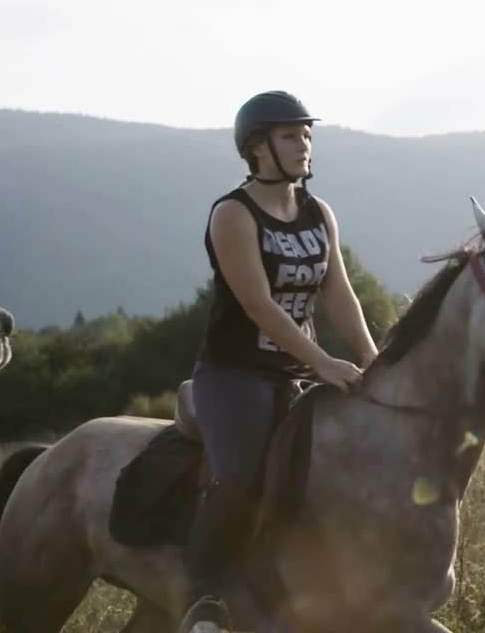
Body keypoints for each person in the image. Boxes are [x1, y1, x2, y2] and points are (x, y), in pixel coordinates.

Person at [178, 91, 377, 632]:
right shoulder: (232, 214)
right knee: (241, 477)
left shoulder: (319, 212)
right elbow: (258, 304)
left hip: (298, 369)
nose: (304, 144)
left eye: (307, 135)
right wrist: (323, 362)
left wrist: (369, 356)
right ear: (257, 147)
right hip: (235, 373)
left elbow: (338, 292)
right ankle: (206, 597)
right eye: (291, 136)